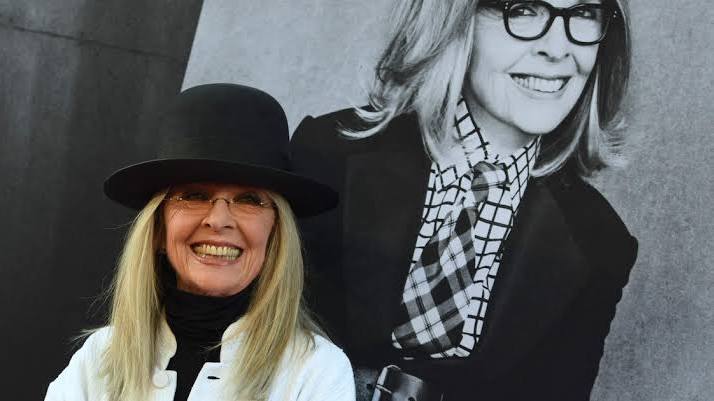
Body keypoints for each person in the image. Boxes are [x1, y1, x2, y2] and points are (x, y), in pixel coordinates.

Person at [291, 1, 636, 400]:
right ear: (454, 17)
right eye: (523, 9)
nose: (558, 49)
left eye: (583, 12)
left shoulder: (599, 243)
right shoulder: (328, 153)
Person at [45, 83, 356, 401]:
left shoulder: (317, 372)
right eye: (194, 196)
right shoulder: (98, 357)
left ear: (275, 234)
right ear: (158, 230)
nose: (219, 220)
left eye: (249, 199)